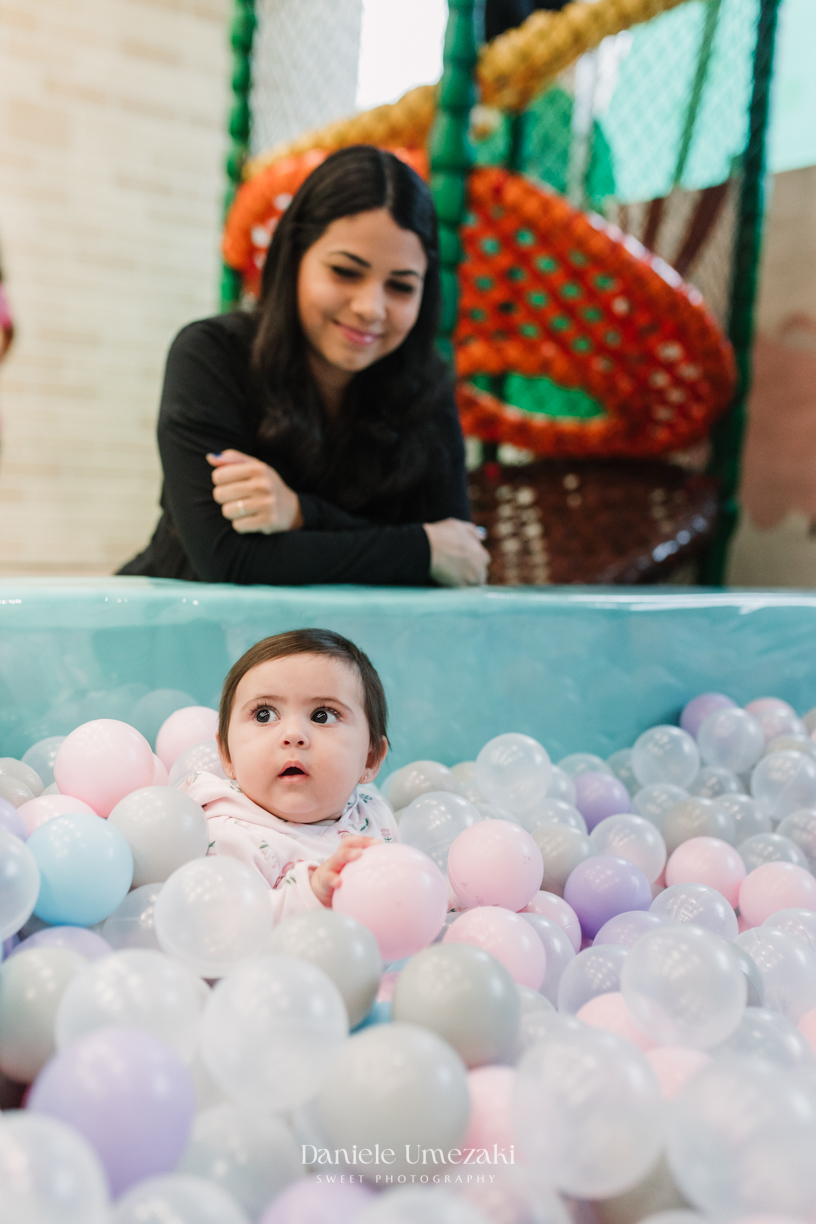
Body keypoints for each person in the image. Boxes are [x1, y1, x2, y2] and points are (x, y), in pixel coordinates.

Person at [120, 145, 489, 587]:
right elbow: (229, 562)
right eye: (345, 272)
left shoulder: (425, 390)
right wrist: (419, 549)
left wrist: (300, 514)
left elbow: (461, 562)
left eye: (401, 286)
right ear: (294, 257)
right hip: (174, 621)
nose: (371, 308)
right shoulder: (211, 355)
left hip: (346, 635)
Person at [180, 628, 398, 921]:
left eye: (323, 715)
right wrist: (310, 896)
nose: (293, 734)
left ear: (369, 758)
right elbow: (225, 927)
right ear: (227, 755)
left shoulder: (374, 816)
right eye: (264, 715)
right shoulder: (228, 838)